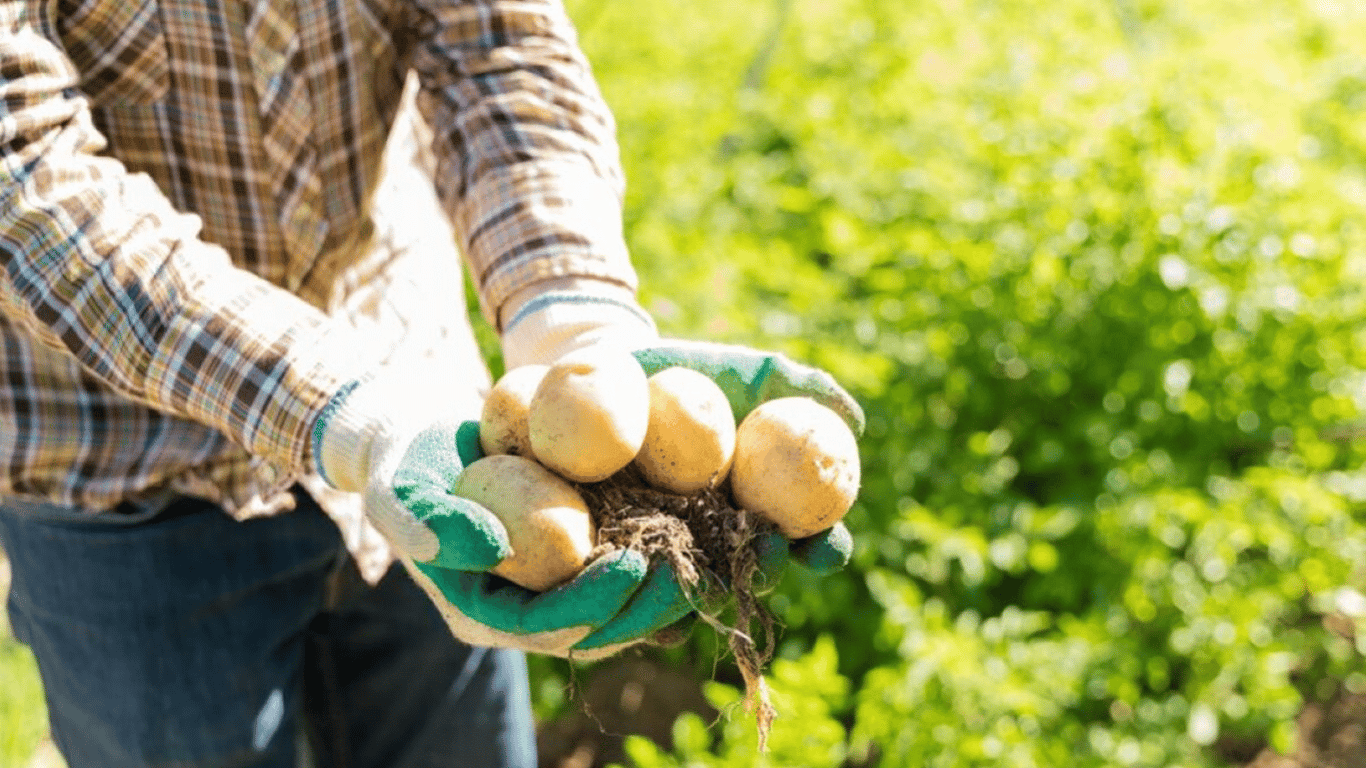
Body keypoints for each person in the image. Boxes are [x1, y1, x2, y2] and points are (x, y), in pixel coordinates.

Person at [0, 0, 864, 765]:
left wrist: (573, 321)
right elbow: (23, 170)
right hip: (122, 472)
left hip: (432, 441)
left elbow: (495, 45)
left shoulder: (468, 467)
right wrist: (348, 413)